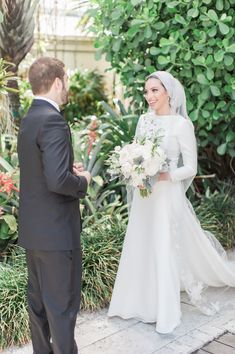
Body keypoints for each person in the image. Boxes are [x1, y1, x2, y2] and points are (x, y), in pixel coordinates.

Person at [108, 71, 235, 334]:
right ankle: (134, 302)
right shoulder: (144, 120)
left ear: (168, 92)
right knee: (141, 242)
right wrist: (136, 172)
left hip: (166, 195)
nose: (149, 96)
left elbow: (190, 166)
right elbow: (136, 152)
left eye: (154, 90)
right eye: (146, 91)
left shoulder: (181, 125)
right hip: (146, 196)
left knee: (164, 245)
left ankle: (163, 310)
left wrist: (166, 175)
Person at [17, 57, 91, 354]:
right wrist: (82, 180)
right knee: (62, 309)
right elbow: (58, 182)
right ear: (58, 82)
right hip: (57, 234)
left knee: (39, 308)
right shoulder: (53, 119)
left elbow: (42, 172)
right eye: (67, 81)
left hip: (35, 232)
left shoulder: (30, 117)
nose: (67, 87)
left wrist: (63, 170)